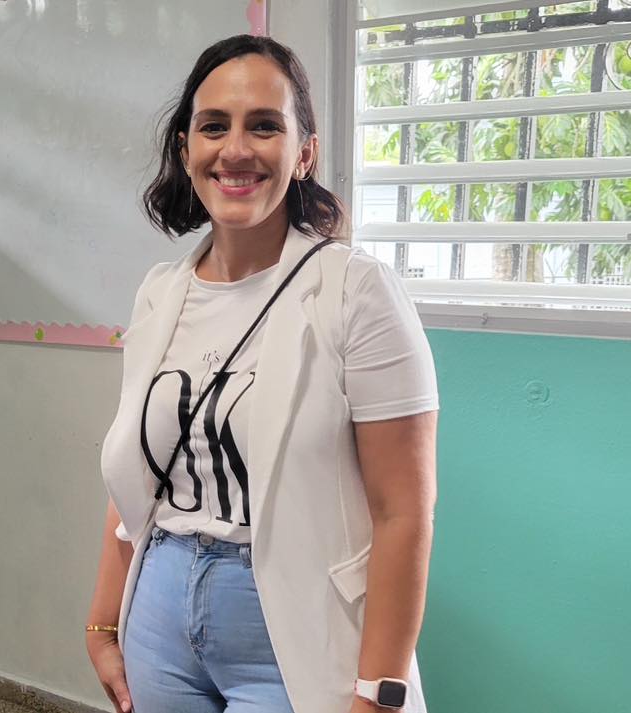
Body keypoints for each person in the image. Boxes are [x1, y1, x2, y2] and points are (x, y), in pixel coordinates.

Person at [85, 34, 439, 713]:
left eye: (265, 126)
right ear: (186, 149)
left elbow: (404, 512)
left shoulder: (356, 291)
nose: (236, 149)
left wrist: (380, 694)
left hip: (290, 629)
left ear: (305, 152)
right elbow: (139, 472)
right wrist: (103, 621)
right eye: (214, 126)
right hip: (158, 616)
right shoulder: (161, 292)